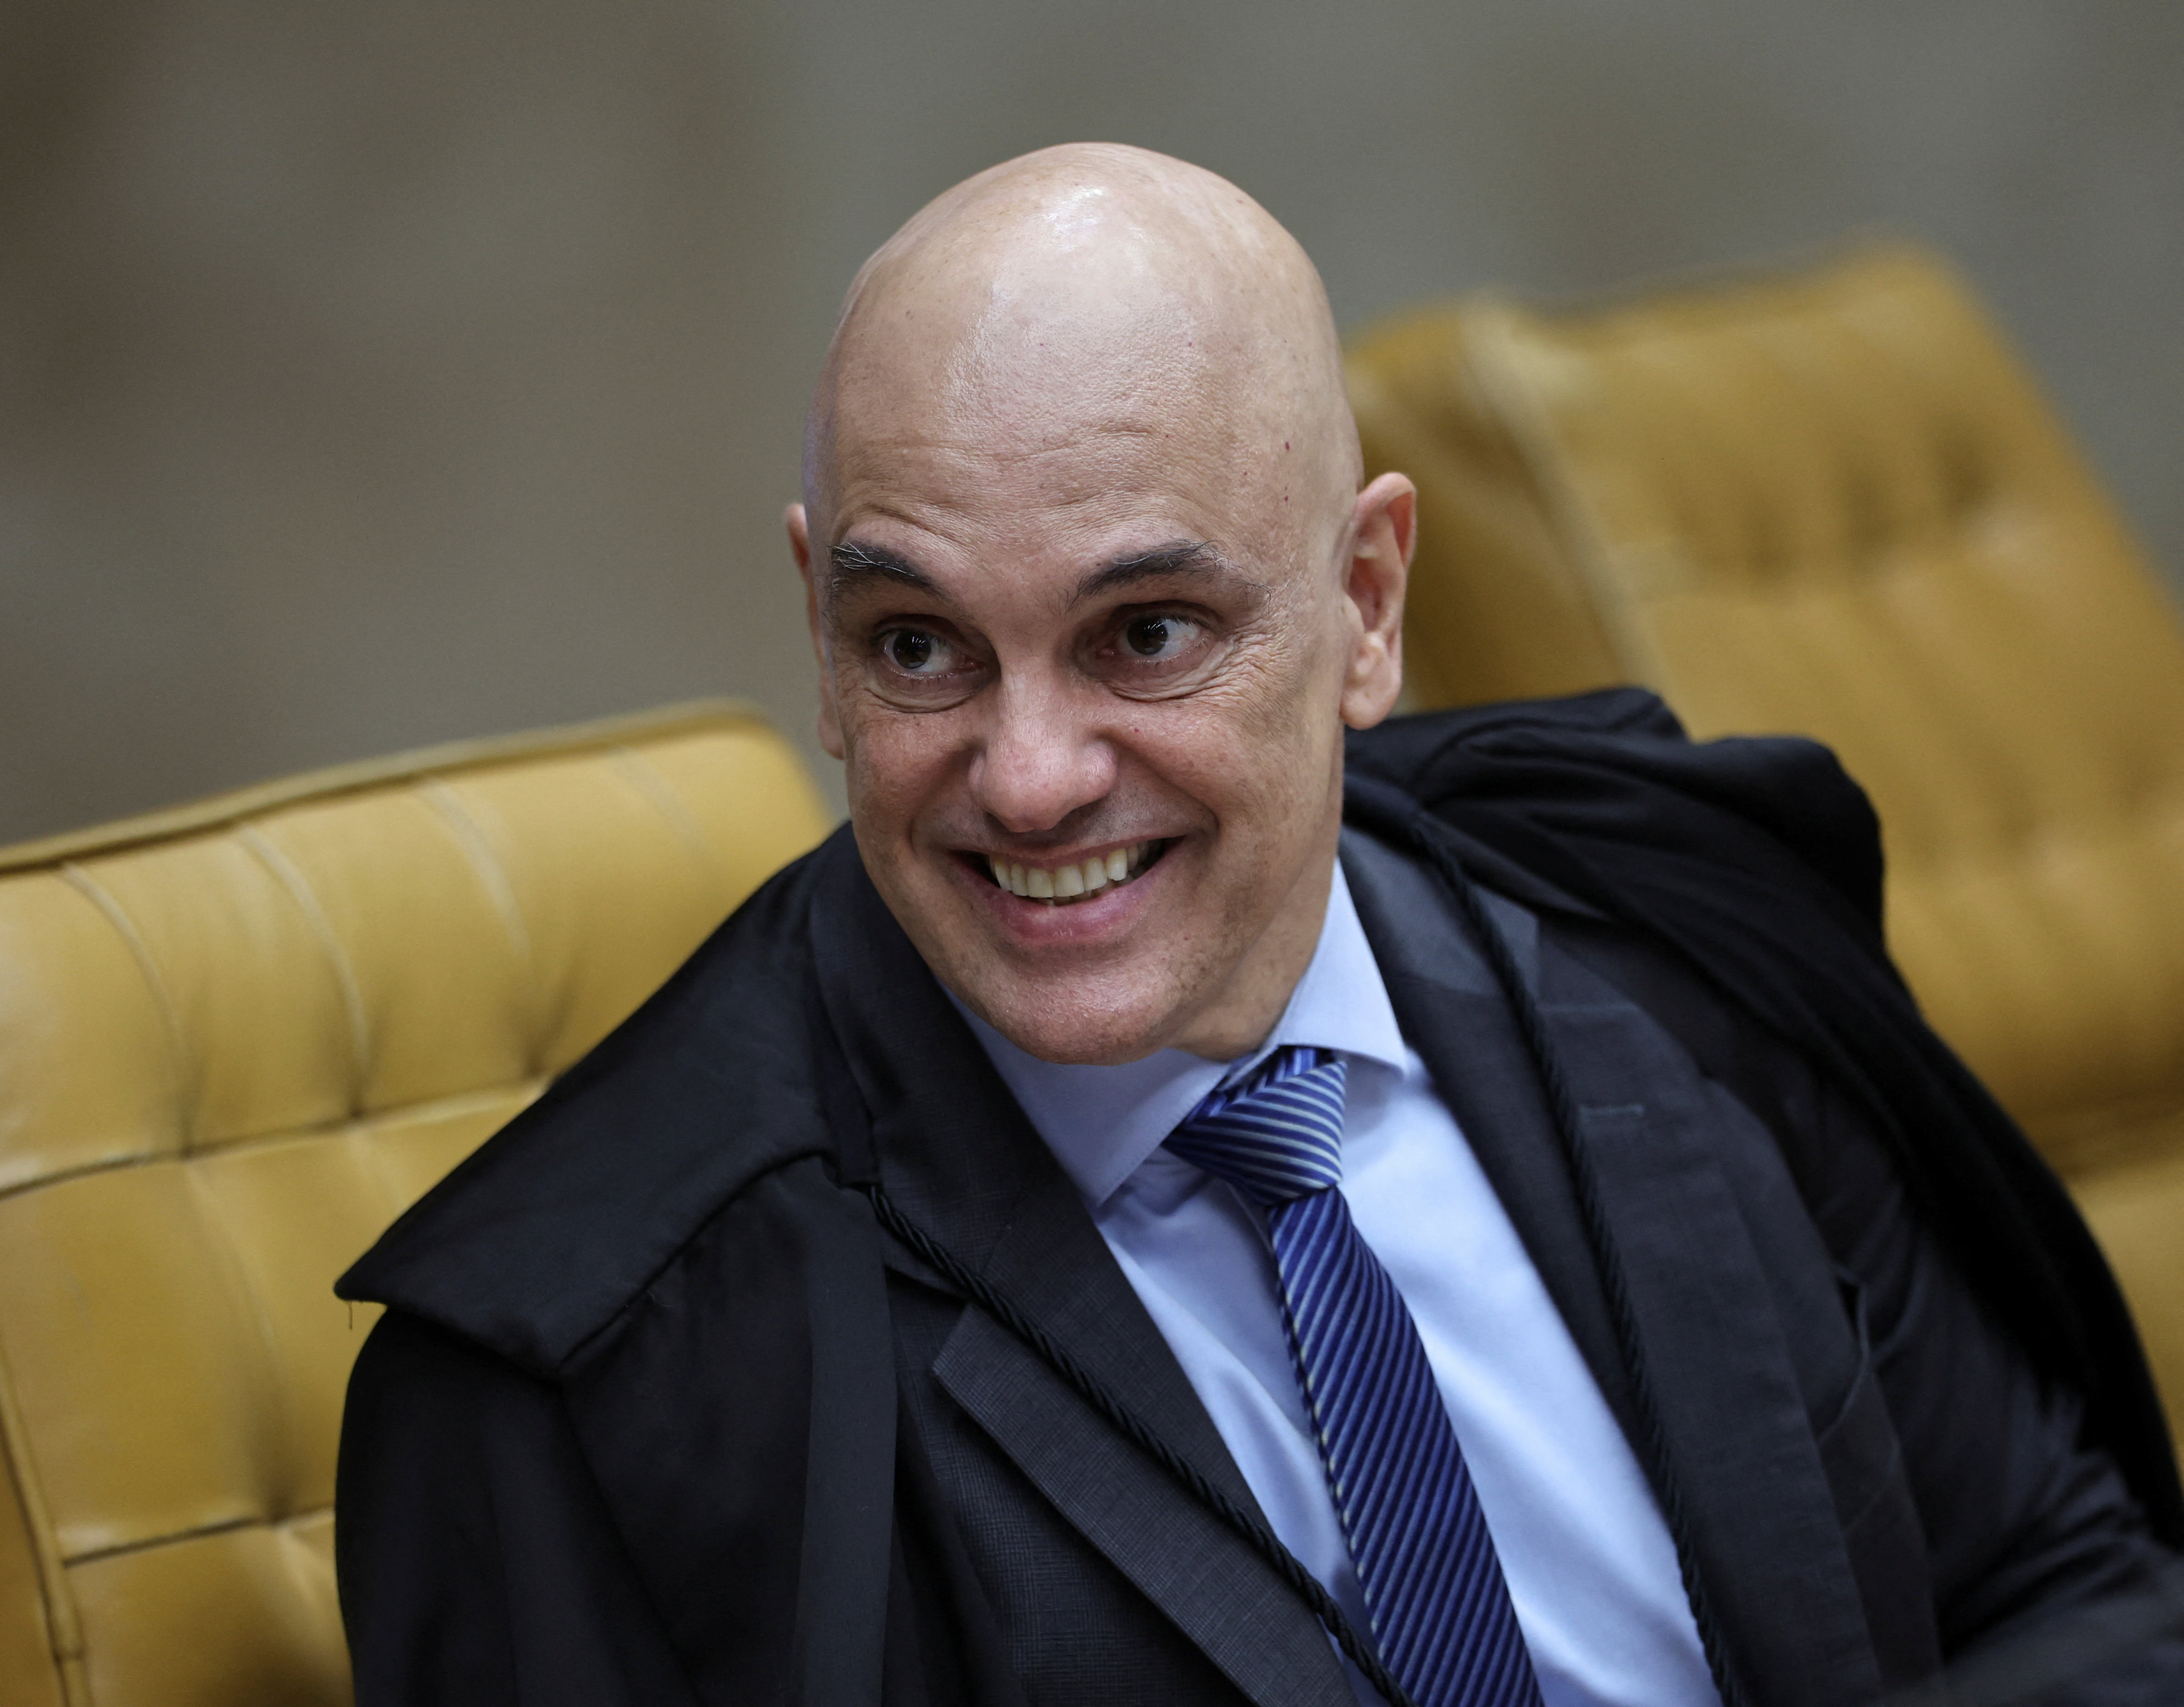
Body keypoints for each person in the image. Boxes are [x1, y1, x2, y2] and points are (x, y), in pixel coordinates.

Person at [333, 144, 2184, 1706]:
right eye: (920, 646)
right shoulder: (582, 1387)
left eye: (1146, 633)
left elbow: (2072, 1581)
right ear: (819, 621)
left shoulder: (1664, 949)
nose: (1033, 777)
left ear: (1367, 604)